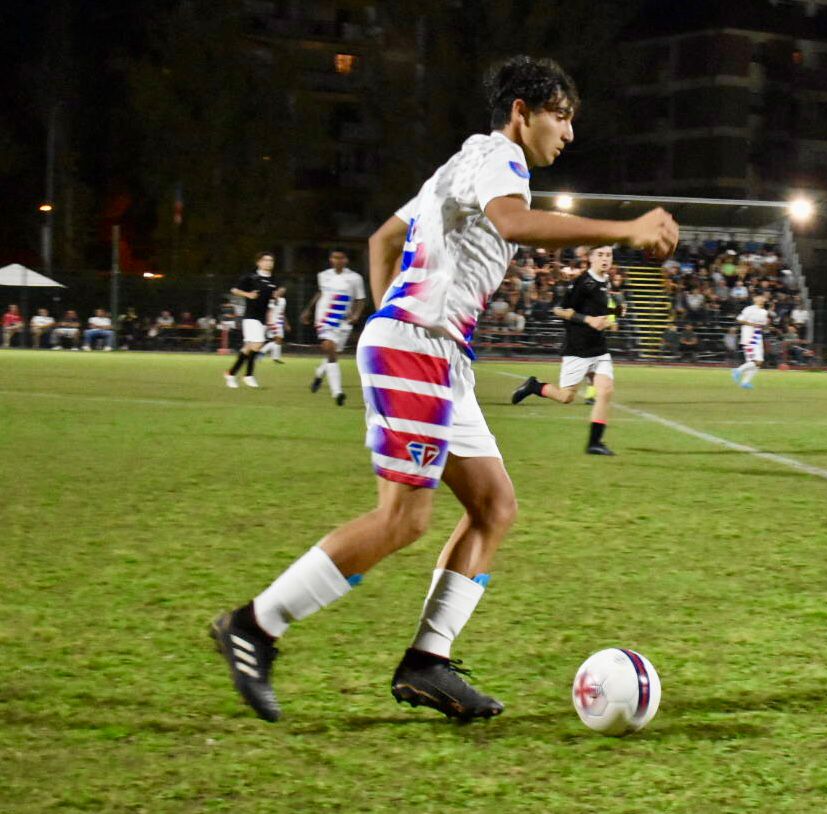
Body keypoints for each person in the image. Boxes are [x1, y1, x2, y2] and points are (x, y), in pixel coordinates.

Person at [209, 55, 678, 723]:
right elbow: (514, 224)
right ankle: (255, 626)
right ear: (522, 112)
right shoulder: (498, 158)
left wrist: (393, 314)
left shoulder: (461, 165)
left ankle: (427, 662)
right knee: (404, 519)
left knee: (494, 506)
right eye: (561, 116)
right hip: (418, 349)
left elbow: (385, 237)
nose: (569, 133)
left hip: (436, 353)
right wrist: (626, 228)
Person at [510, 243, 624, 455]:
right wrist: (588, 320)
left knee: (606, 391)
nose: (605, 258)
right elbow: (560, 310)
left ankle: (594, 443)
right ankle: (534, 386)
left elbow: (597, 310)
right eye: (600, 254)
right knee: (566, 397)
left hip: (599, 348)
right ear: (591, 258)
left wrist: (615, 312)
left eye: (608, 255)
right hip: (578, 348)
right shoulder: (583, 282)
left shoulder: (605, 281)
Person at [303, 250, 367, 405]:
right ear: (330, 259)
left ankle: (319, 374)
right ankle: (337, 392)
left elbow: (360, 299)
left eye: (340, 257)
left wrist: (356, 315)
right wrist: (308, 309)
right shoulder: (323, 275)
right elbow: (320, 292)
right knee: (330, 349)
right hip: (324, 318)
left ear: (346, 260)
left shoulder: (355, 278)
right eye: (334, 257)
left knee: (333, 354)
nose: (337, 260)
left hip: (343, 321)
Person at [224, 252, 278, 388]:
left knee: (249, 348)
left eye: (271, 260)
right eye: (265, 260)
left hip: (262, 318)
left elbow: (271, 299)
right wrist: (247, 294)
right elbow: (234, 290)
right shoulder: (251, 277)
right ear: (258, 262)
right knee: (258, 343)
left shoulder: (273, 280)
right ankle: (248, 375)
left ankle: (231, 374)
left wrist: (273, 302)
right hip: (250, 317)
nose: (268, 262)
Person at [731, 293, 770, 389]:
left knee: (757, 363)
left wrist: (766, 326)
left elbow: (762, 325)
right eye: (760, 297)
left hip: (757, 337)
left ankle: (745, 382)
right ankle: (738, 371)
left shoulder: (764, 312)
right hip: (749, 337)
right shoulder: (749, 309)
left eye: (763, 298)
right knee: (757, 361)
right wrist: (752, 324)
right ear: (755, 299)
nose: (762, 299)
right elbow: (739, 319)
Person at [262, 287, 289, 364]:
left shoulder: (283, 300)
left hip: (279, 322)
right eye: (280, 290)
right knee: (278, 339)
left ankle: (274, 357)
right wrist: (268, 322)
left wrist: (286, 323)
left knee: (278, 341)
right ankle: (263, 352)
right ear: (277, 291)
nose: (282, 292)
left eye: (283, 291)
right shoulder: (272, 300)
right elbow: (269, 311)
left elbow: (283, 312)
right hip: (273, 322)